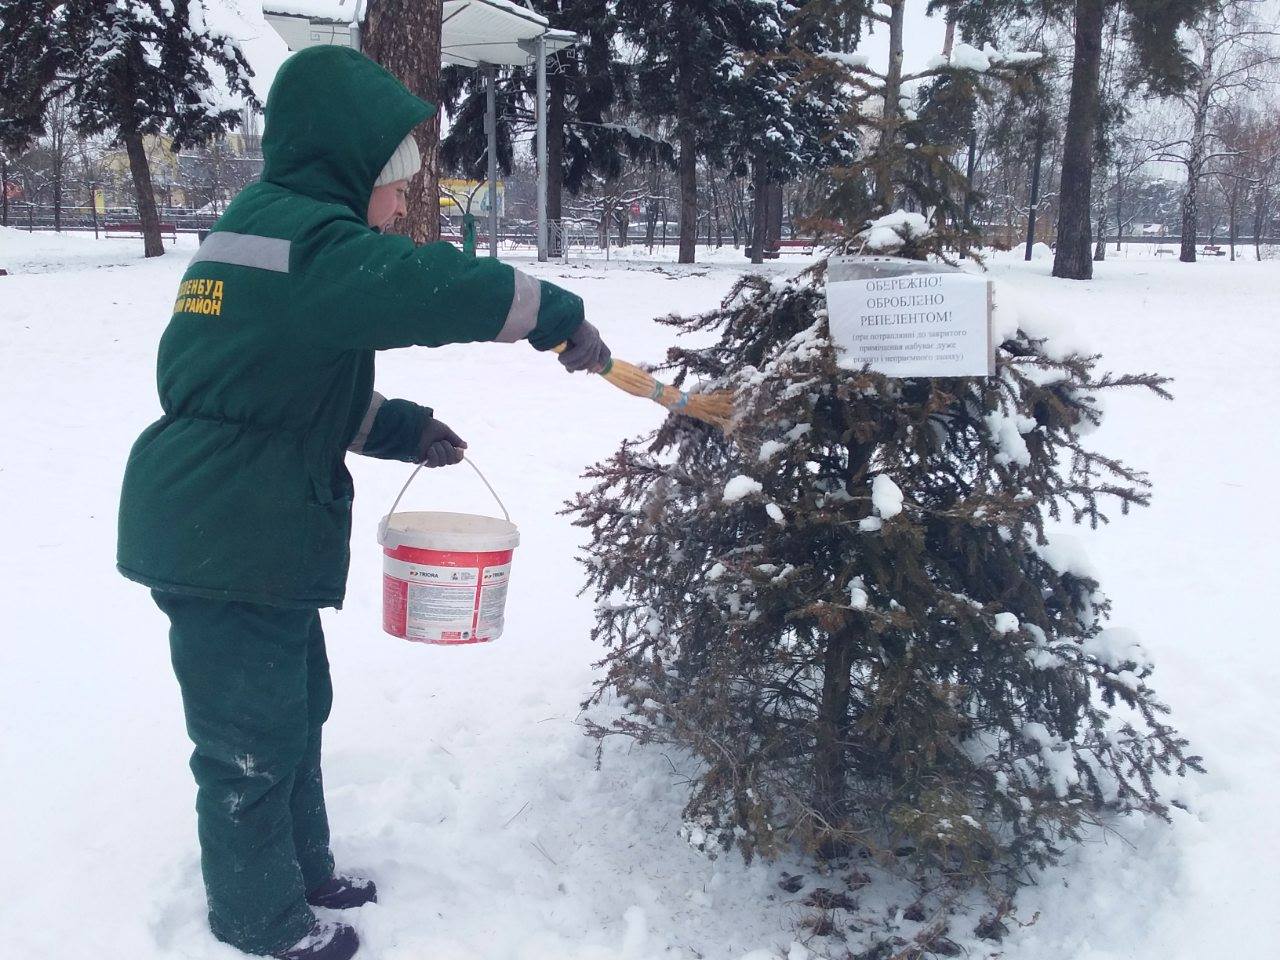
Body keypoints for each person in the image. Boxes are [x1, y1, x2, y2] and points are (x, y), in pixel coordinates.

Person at [116, 46, 610, 960]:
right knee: (249, 742)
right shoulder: (308, 240)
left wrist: (406, 430)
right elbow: (429, 287)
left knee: (295, 710)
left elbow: (281, 383)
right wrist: (555, 316)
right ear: (350, 165)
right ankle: (260, 919)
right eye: (394, 189)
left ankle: (300, 873)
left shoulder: (265, 232)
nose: (397, 209)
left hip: (242, 524)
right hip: (227, 532)